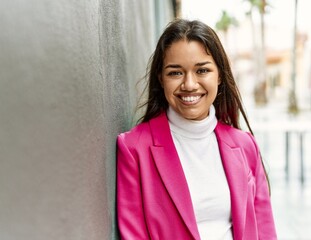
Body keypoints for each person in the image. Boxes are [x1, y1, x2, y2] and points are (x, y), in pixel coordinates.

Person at [116, 19, 277, 240]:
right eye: (175, 73)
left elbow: (265, 230)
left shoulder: (244, 144)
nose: (190, 84)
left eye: (202, 70)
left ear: (219, 75)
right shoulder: (134, 148)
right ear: (160, 78)